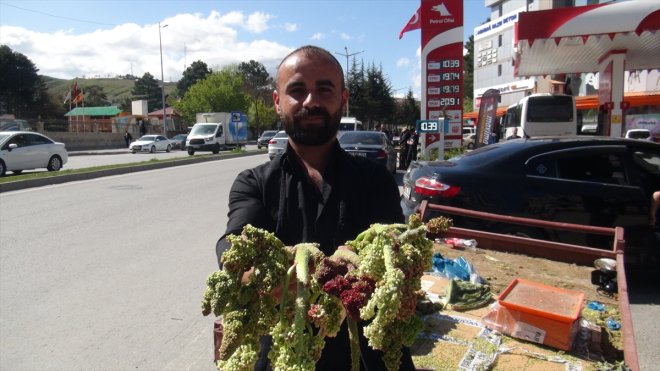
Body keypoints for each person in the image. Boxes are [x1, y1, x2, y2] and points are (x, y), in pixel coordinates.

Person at [215, 45, 415, 371]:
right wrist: (254, 274)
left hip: (367, 356)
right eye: (297, 90)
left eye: (324, 88)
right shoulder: (253, 183)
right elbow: (234, 242)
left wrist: (359, 264)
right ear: (278, 101)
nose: (311, 101)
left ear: (343, 98)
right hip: (284, 353)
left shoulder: (375, 179)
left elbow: (394, 246)